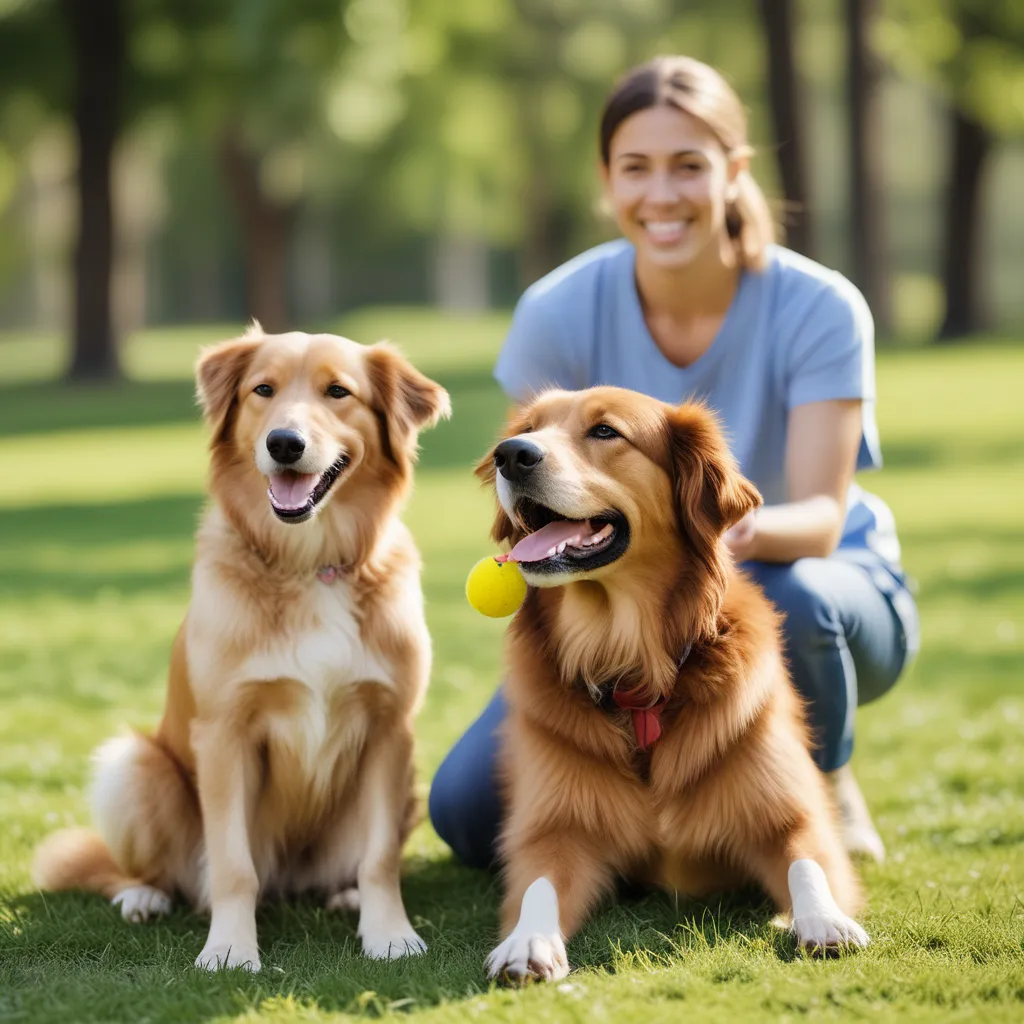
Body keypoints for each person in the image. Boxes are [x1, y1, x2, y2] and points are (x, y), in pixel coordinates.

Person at [429, 55, 919, 872]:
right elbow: (530, 489)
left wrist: (704, 537)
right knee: (469, 814)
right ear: (606, 179)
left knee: (789, 592)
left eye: (689, 166)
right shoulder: (555, 309)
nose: (663, 195)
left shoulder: (821, 307)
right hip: (629, 608)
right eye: (637, 168)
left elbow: (824, 519)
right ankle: (636, 835)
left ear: (734, 171)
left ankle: (819, 779)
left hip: (824, 589)